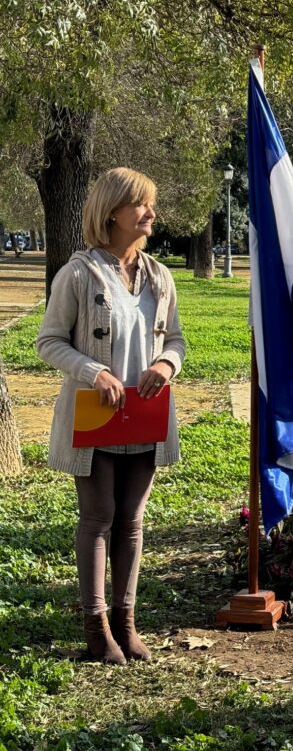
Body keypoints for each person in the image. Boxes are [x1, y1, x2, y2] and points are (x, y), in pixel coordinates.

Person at [37, 167, 185, 665]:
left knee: (133, 521)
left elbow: (176, 340)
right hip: (94, 417)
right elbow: (49, 341)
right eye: (141, 204)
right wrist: (92, 370)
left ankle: (127, 622)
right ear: (112, 212)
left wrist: (167, 363)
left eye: (151, 204)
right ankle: (97, 628)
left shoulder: (159, 276)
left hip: (144, 415)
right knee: (98, 517)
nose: (151, 213)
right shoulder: (77, 274)